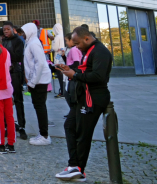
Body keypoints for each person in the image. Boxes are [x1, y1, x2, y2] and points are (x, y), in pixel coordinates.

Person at [55, 25, 112, 182]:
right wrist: (71, 70)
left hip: (93, 97)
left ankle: (79, 169)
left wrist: (75, 75)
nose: (76, 47)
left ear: (86, 38)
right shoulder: (89, 49)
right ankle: (74, 165)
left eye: (77, 43)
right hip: (83, 96)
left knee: (82, 133)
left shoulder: (100, 51)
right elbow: (86, 71)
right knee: (70, 126)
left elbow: (98, 77)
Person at [22, 22, 52, 146]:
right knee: (38, 106)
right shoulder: (30, 42)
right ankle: (42, 133)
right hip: (37, 80)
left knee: (40, 107)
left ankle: (44, 136)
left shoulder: (34, 43)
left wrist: (32, 81)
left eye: (24, 32)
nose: (23, 34)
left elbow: (40, 63)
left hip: (39, 80)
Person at [0, 22, 27, 140]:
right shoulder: (3, 41)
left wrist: (5, 52)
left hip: (15, 72)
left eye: (8, 29)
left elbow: (18, 56)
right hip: (4, 72)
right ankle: (6, 126)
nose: (6, 31)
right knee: (5, 100)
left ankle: (22, 126)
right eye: (4, 30)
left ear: (13, 29)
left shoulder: (18, 41)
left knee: (18, 99)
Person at [51, 24, 66, 98]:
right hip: (64, 57)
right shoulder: (64, 35)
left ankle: (62, 92)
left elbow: (55, 48)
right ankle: (64, 91)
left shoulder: (57, 37)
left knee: (60, 76)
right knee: (64, 77)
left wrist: (52, 42)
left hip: (58, 57)